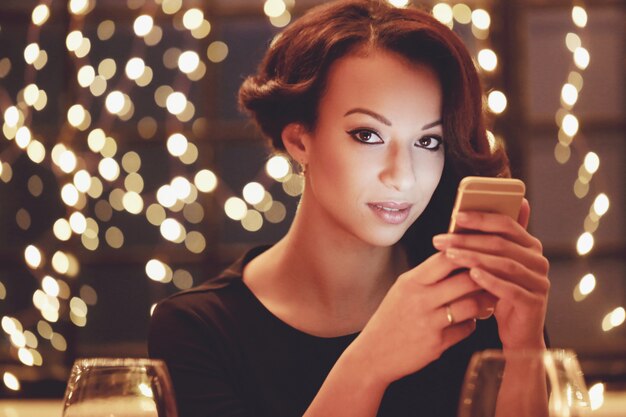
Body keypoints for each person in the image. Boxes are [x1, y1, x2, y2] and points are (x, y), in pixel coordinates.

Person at [148, 1, 550, 416]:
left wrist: (525, 346)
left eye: (428, 142)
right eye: (367, 135)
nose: (402, 176)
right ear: (300, 140)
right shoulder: (195, 330)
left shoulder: (475, 302)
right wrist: (368, 364)